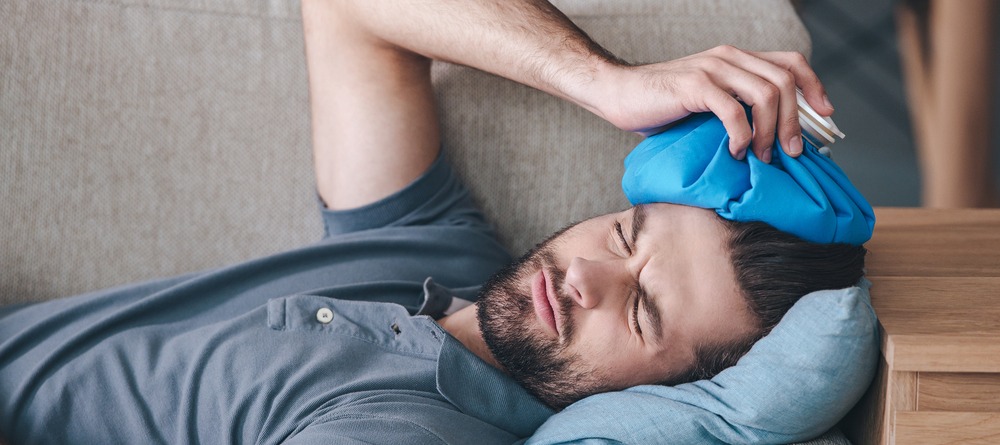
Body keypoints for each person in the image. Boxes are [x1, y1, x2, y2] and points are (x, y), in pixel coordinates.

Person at [0, 0, 866, 443]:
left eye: (641, 313)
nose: (586, 278)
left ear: (661, 395)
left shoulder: (410, 427)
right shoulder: (442, 249)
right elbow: (351, 12)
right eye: (626, 236)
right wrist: (609, 84)